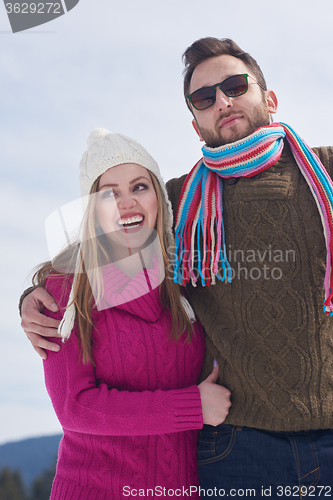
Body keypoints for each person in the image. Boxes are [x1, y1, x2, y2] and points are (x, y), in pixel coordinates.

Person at [20, 38, 333, 496]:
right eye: (205, 98)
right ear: (195, 123)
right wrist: (32, 296)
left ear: (269, 98)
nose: (222, 102)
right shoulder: (178, 202)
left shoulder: (327, 171)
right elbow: (95, 243)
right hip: (238, 446)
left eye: (234, 85)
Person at [25, 128, 231, 499]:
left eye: (139, 187)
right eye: (110, 193)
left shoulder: (184, 285)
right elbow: (75, 407)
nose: (127, 203)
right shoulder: (68, 289)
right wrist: (191, 407)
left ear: (159, 199)